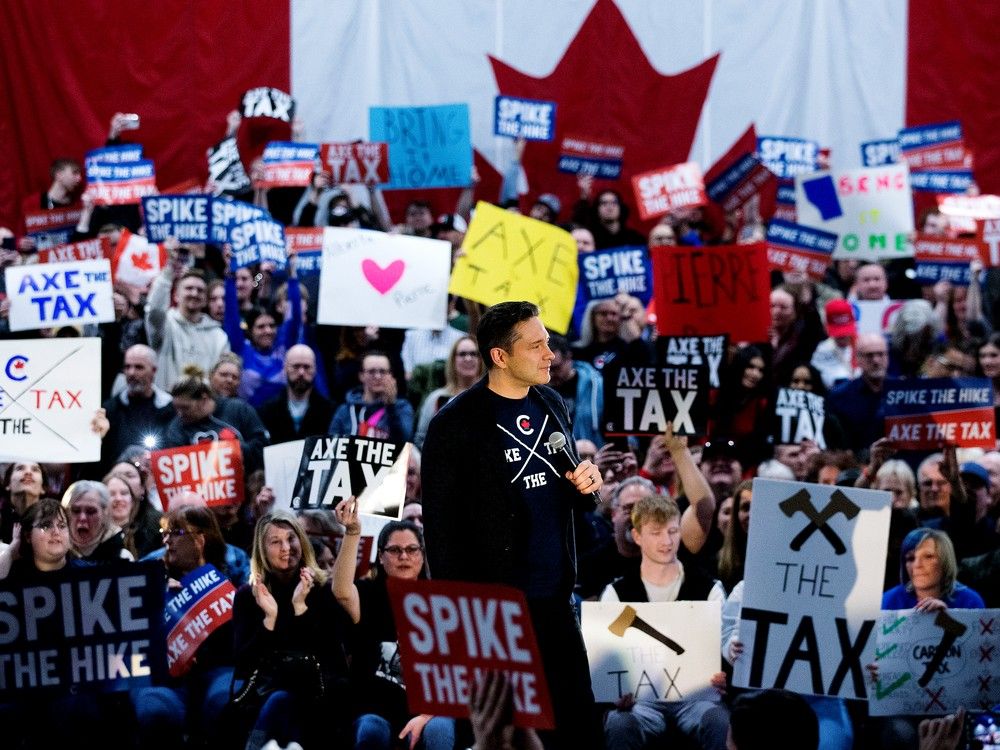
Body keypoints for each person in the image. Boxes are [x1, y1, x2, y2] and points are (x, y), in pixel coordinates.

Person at [422, 300, 605, 748]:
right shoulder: (453, 427)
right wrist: (465, 628)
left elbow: (573, 495)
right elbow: (442, 539)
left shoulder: (551, 401)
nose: (551, 355)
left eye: (549, 344)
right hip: (497, 617)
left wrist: (588, 486)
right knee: (508, 739)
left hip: (558, 602)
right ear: (500, 356)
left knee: (579, 733)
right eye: (537, 345)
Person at [601, 496, 729, 750]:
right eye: (656, 533)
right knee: (619, 722)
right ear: (637, 537)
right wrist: (615, 694)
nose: (666, 542)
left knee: (719, 721)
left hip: (697, 697)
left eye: (672, 531)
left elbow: (722, 649)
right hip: (641, 701)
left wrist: (725, 675)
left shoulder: (709, 589)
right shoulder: (616, 592)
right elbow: (608, 661)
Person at [332, 499, 455, 750]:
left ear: (422, 554)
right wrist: (353, 531)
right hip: (376, 711)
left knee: (439, 730)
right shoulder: (367, 594)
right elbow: (342, 591)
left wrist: (425, 717)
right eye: (395, 550)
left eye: (412, 549)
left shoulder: (442, 603)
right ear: (380, 556)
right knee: (371, 729)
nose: (404, 556)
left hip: (431, 711)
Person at [232, 509, 351, 749]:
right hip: (265, 690)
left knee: (286, 700)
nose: (286, 547)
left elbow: (332, 655)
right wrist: (270, 618)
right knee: (280, 699)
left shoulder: (322, 590)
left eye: (291, 538)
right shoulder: (248, 596)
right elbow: (243, 663)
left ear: (302, 541)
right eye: (276, 542)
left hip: (318, 691)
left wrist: (300, 607)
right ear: (262, 550)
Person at [130, 506, 235, 750]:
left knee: (224, 702)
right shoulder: (152, 575)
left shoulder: (230, 577)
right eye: (164, 532)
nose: (166, 540)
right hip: (164, 677)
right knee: (155, 710)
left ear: (200, 539)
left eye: (175, 532)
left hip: (216, 669)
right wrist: (158, 595)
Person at [145, 248, 230, 390]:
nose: (194, 293)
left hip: (202, 405)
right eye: (189, 288)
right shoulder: (165, 324)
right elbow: (154, 309)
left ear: (205, 300)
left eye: (200, 290)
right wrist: (168, 271)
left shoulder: (218, 336)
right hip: (168, 406)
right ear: (176, 296)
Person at [100, 344, 175, 470]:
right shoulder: (110, 409)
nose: (131, 373)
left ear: (154, 370)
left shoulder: (171, 408)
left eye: (139, 367)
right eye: (127, 367)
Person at [882, 527, 985, 609]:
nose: (917, 565)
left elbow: (970, 634)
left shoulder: (970, 601)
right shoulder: (889, 600)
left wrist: (943, 618)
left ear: (945, 560)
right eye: (911, 558)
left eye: (928, 556)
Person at [414, 335, 484, 448]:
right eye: (462, 354)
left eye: (473, 354)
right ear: (453, 360)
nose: (468, 358)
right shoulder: (437, 399)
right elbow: (421, 438)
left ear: (481, 360)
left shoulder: (493, 397)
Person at [329, 351, 414, 443]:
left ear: (390, 375)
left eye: (383, 371)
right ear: (361, 376)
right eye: (371, 371)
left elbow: (404, 442)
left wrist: (390, 407)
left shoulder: (402, 407)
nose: (377, 376)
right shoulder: (345, 410)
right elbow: (332, 443)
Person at [258, 344, 336, 444]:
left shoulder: (330, 411)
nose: (301, 372)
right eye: (296, 366)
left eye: (307, 367)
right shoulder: (266, 411)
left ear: (315, 369)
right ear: (285, 368)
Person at [826, 333, 888, 456]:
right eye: (869, 355)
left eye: (880, 354)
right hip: (853, 465)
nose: (876, 360)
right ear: (857, 359)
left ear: (887, 357)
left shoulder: (901, 392)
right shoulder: (839, 397)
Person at [63, 480, 134, 563]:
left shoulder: (122, 557)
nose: (82, 518)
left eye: (91, 511)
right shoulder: (53, 555)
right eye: (76, 511)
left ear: (105, 514)